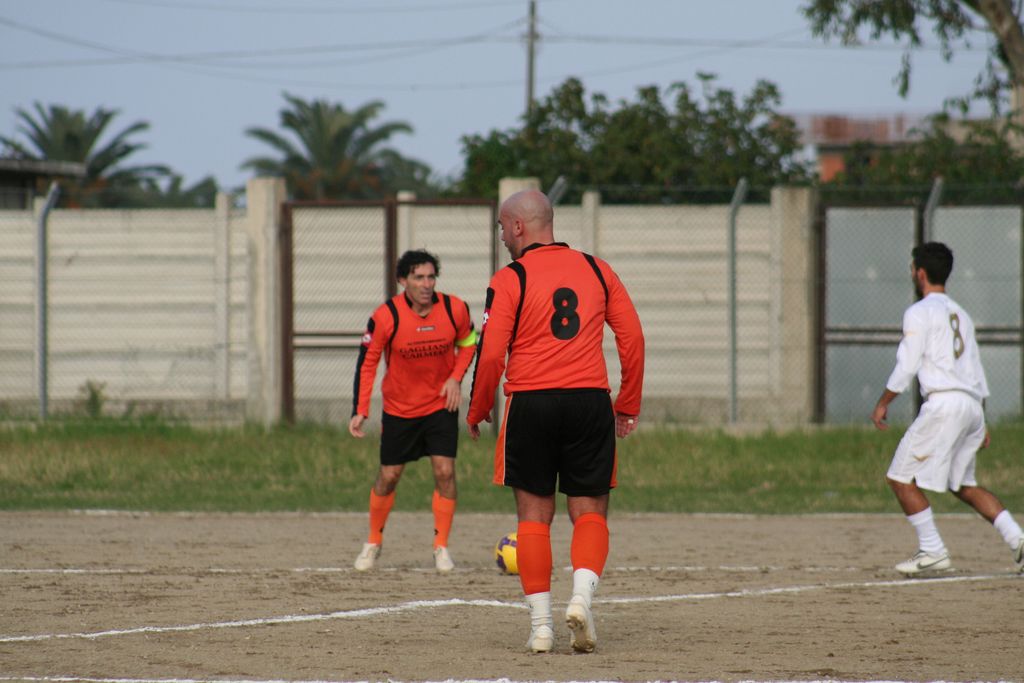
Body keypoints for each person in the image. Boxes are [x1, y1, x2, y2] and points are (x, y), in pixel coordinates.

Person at [467, 189, 645, 654]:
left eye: (502, 227)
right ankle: (582, 599)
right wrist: (627, 403)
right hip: (589, 402)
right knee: (590, 512)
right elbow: (632, 337)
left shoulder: (510, 278)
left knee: (533, 517)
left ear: (518, 226)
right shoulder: (597, 270)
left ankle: (542, 627)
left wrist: (479, 406)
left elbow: (491, 353)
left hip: (531, 403)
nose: (502, 237)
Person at [872, 241, 1024, 576]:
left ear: (920, 273)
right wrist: (980, 418)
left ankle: (932, 549)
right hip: (970, 404)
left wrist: (883, 403)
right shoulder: (961, 314)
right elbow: (975, 368)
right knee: (963, 484)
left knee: (900, 477)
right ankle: (1018, 537)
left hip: (944, 404)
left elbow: (907, 365)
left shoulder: (919, 311)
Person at [350, 249, 477, 573]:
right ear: (403, 280)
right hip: (400, 408)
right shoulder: (385, 316)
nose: (426, 284)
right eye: (418, 277)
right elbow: (368, 361)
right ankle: (373, 541)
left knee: (445, 472)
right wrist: (361, 409)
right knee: (389, 476)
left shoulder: (455, 308)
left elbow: (469, 342)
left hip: (440, 404)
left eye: (431, 277)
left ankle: (441, 547)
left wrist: (455, 378)